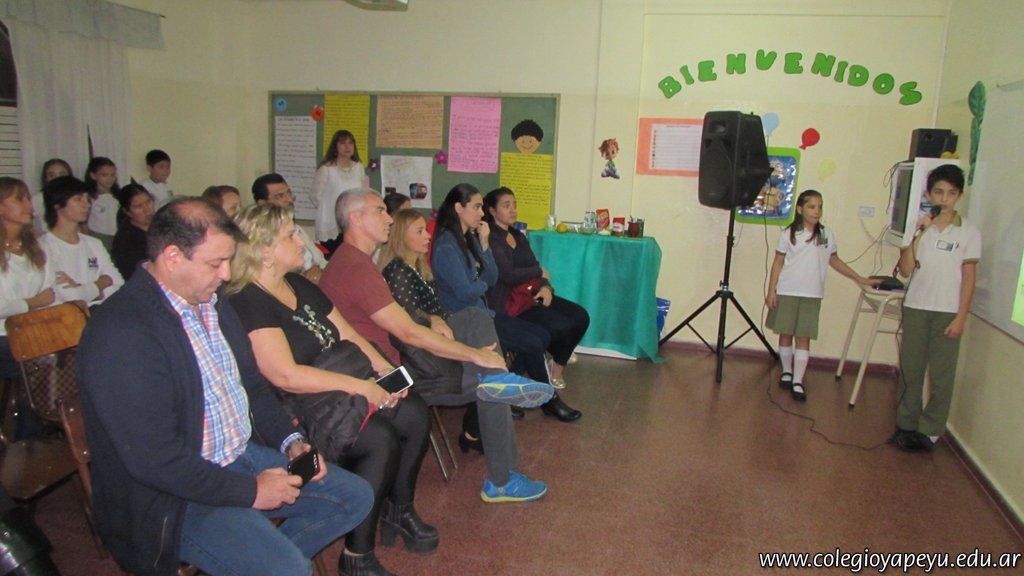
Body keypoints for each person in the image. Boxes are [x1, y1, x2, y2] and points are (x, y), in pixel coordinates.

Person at [75, 197, 373, 576]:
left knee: (353, 498)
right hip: (174, 497)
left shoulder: (211, 302)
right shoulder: (122, 332)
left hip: (238, 457)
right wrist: (251, 492)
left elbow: (252, 386)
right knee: (289, 570)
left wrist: (290, 441)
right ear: (172, 258)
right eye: (215, 263)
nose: (227, 273)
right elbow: (156, 461)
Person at [227, 203, 436, 575]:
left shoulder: (299, 285)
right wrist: (362, 387)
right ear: (264, 251)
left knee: (414, 412)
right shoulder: (248, 300)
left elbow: (348, 334)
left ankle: (399, 510)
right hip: (293, 412)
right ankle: (357, 556)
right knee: (379, 438)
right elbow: (285, 376)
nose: (300, 240)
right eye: (290, 235)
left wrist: (385, 370)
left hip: (335, 394)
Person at [321, 188, 553, 503]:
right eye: (380, 211)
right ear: (355, 219)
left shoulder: (356, 261)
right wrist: (477, 356)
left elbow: (403, 315)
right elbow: (409, 333)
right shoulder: (357, 268)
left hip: (401, 357)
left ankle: (497, 377)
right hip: (393, 374)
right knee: (491, 385)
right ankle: (501, 481)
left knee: (474, 317)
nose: (389, 218)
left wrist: (431, 318)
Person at [432, 184, 582, 422]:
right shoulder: (447, 246)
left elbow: (491, 278)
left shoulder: (470, 238)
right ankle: (549, 401)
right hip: (463, 319)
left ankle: (502, 390)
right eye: (477, 207)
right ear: (459, 208)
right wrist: (481, 282)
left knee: (541, 337)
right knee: (533, 342)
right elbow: (466, 293)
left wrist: (484, 247)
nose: (482, 213)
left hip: (481, 312)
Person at [889, 165, 980, 452]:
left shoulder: (969, 232)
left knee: (941, 376)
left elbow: (969, 278)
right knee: (911, 371)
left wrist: (961, 318)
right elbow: (905, 270)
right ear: (929, 194)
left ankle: (930, 431)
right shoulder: (919, 226)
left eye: (951, 193)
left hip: (948, 312)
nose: (944, 199)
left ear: (959, 196)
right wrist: (918, 234)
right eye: (939, 192)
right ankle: (905, 425)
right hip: (916, 307)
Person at [765, 189, 874, 402]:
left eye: (819, 207)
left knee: (803, 336)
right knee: (785, 333)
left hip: (812, 293)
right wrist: (771, 291)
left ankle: (798, 381)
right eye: (811, 207)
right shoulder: (788, 234)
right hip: (787, 291)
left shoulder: (826, 234)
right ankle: (787, 371)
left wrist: (858, 278)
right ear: (800, 209)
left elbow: (834, 260)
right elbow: (778, 262)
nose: (816, 211)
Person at [483, 187, 591, 390]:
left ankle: (556, 364)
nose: (513, 210)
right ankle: (516, 375)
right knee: (559, 327)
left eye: (514, 205)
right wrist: (539, 272)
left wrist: (546, 286)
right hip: (510, 303)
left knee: (580, 317)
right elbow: (508, 274)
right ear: (492, 211)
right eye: (506, 206)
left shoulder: (518, 235)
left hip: (531, 293)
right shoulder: (492, 239)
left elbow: (535, 265)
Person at [0, 177, 56, 380]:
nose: (29, 205)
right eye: (19, 199)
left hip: (32, 328)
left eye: (28, 199)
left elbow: (49, 292)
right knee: (46, 360)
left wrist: (34, 305)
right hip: (3, 334)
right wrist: (33, 302)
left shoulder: (38, 245)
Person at [39, 176, 123, 306]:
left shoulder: (94, 244)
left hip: (100, 313)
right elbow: (70, 296)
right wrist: (102, 282)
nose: (87, 205)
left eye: (87, 198)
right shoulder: (44, 247)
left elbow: (119, 286)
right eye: (78, 199)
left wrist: (84, 289)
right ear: (57, 204)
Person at [252, 174, 327, 285]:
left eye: (288, 193)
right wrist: (304, 277)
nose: (288, 199)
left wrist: (318, 268)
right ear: (262, 204)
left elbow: (321, 261)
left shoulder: (297, 228)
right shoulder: (261, 236)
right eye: (279, 196)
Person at [311, 130, 367, 255]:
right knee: (335, 257)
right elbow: (315, 195)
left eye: (350, 143)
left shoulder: (358, 167)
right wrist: (329, 210)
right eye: (342, 143)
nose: (347, 146)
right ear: (335, 146)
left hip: (352, 222)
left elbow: (362, 193)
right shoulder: (327, 169)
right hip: (331, 223)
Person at [110, 184, 155, 280]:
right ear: (127, 212)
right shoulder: (125, 240)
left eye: (148, 201)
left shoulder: (163, 226)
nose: (147, 209)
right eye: (138, 206)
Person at [84, 157, 121, 249]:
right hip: (97, 237)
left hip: (117, 237)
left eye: (112, 175)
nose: (109, 178)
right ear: (93, 175)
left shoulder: (118, 196)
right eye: (104, 175)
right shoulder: (89, 197)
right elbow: (83, 223)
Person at [32, 159, 73, 233]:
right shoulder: (39, 198)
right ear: (46, 178)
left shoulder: (77, 197)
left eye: (62, 174)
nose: (57, 178)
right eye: (52, 175)